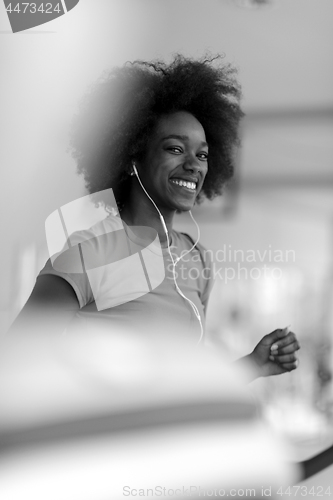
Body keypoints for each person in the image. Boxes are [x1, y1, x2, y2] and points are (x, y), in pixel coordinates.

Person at [9, 54, 300, 379]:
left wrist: (251, 366)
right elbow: (15, 365)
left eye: (202, 154)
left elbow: (182, 382)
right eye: (175, 149)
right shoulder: (89, 253)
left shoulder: (197, 260)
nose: (194, 164)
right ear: (133, 156)